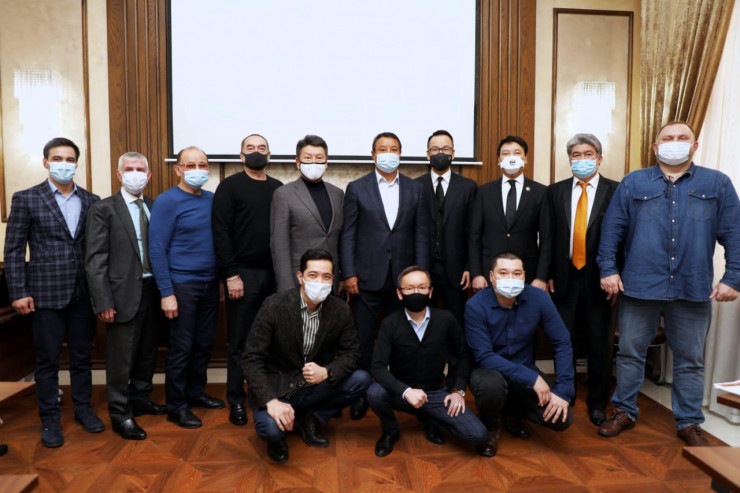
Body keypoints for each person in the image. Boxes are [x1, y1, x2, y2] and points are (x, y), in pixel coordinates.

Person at [597, 121, 740, 446]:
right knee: (630, 354)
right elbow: (612, 231)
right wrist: (608, 270)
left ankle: (689, 422)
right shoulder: (633, 182)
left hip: (692, 288)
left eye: (682, 138)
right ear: (656, 146)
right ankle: (624, 411)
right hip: (639, 287)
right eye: (668, 138)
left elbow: (734, 234)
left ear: (694, 145)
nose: (675, 142)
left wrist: (733, 277)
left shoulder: (717, 183)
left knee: (690, 360)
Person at [4, 137, 103, 448]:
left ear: (77, 163)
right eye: (57, 158)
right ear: (46, 162)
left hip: (83, 293)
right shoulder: (27, 198)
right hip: (45, 293)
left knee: (82, 357)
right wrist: (18, 291)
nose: (64, 164)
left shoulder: (92, 200)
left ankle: (84, 410)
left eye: (70, 159)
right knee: (47, 360)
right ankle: (49, 418)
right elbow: (14, 249)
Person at [243, 248, 371, 464]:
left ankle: (312, 416)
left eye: (326, 277)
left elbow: (352, 353)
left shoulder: (339, 309)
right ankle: (281, 431)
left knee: (361, 379)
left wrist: (327, 372)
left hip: (311, 384)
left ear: (332, 280)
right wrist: (271, 401)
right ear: (300, 277)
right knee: (271, 431)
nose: (320, 282)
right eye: (313, 275)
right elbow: (251, 359)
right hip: (278, 387)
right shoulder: (274, 305)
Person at [340, 131, 430, 419]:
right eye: (383, 149)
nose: (388, 153)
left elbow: (421, 235)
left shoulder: (415, 189)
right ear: (373, 155)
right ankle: (362, 393)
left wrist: (421, 278)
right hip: (366, 278)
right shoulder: (357, 188)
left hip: (404, 281)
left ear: (400, 154)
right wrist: (349, 273)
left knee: (401, 337)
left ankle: (398, 391)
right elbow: (348, 234)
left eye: (393, 149)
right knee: (364, 338)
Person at [85, 152, 166, 440]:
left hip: (153, 291)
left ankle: (141, 398)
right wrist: (103, 300)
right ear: (119, 175)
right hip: (120, 295)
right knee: (121, 359)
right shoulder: (103, 209)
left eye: (140, 169)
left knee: (147, 352)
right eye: (129, 169)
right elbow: (95, 259)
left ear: (149, 175)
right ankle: (120, 414)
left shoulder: (155, 207)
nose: (135, 173)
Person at [368, 266, 488, 457]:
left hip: (435, 393)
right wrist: (406, 391)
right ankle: (390, 431)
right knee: (375, 393)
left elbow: (463, 355)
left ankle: (431, 418)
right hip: (401, 392)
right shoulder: (390, 323)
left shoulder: (446, 319)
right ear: (399, 293)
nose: (416, 292)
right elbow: (377, 367)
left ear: (430, 292)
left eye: (422, 287)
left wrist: (458, 391)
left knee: (478, 435)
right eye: (409, 288)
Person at [542, 134, 619, 425]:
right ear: (569, 159)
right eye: (576, 155)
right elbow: (548, 237)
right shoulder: (555, 191)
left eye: (588, 154)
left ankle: (598, 403)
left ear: (599, 159)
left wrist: (616, 274)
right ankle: (567, 393)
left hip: (601, 279)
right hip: (564, 278)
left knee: (600, 343)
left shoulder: (616, 190)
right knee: (564, 341)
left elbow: (623, 237)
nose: (582, 159)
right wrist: (547, 273)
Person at [466, 252, 574, 456]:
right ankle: (491, 426)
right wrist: (532, 378)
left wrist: (564, 390)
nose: (510, 278)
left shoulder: (538, 298)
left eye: (517, 273)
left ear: (524, 275)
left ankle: (513, 410)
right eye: (503, 272)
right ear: (491, 276)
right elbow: (484, 356)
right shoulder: (475, 306)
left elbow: (562, 342)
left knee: (562, 419)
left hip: (523, 370)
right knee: (491, 386)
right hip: (488, 372)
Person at [211, 134, 283, 426]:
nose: (256, 152)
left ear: (269, 154)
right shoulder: (229, 187)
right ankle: (237, 400)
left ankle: (265, 396)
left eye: (261, 148)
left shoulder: (278, 188)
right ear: (241, 156)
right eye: (250, 148)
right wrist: (231, 274)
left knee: (272, 341)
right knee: (240, 341)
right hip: (242, 274)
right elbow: (221, 233)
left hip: (274, 275)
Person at [150, 146, 223, 429]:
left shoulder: (212, 200)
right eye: (190, 165)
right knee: (182, 346)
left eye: (202, 165)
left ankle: (196, 393)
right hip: (182, 285)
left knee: (204, 343)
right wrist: (166, 293)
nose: (197, 170)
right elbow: (157, 249)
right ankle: (176, 406)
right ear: (178, 169)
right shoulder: (167, 201)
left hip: (209, 284)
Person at [469, 136, 550, 292]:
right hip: (490, 271)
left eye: (517, 153)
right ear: (499, 160)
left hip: (528, 271)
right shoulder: (484, 192)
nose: (511, 157)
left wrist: (541, 277)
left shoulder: (540, 192)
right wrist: (476, 273)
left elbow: (547, 239)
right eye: (506, 153)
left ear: (526, 158)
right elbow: (474, 236)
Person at [415, 130, 477, 326]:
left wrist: (470, 267)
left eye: (445, 149)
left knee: (456, 323)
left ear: (453, 153)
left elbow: (473, 231)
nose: (440, 153)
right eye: (435, 149)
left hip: (457, 271)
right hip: (424, 269)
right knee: (423, 322)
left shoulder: (468, 187)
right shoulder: (415, 186)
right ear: (427, 154)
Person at [271, 135, 344, 293]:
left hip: (330, 281)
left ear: (326, 163)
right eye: (308, 158)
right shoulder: (283, 194)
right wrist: (286, 287)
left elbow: (340, 238)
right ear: (298, 162)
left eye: (319, 158)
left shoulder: (337, 194)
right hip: (299, 280)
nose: (314, 163)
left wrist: (341, 278)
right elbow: (279, 246)